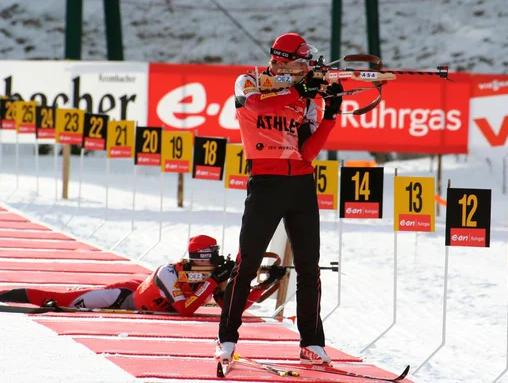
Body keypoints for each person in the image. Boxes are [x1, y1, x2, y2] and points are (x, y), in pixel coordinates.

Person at [216, 32, 344, 366]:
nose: (306, 68)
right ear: (282, 61)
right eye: (301, 62)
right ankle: (227, 338)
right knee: (247, 265)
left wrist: (330, 114)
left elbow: (308, 154)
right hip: (265, 182)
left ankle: (312, 342)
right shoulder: (250, 81)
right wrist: (298, 90)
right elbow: (255, 105)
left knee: (308, 267)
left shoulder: (306, 97)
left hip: (301, 183)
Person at [0, 235, 287, 317]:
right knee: (61, 299)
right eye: (211, 254)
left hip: (146, 297)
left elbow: (231, 306)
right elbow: (184, 310)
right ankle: (4, 295)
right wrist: (213, 281)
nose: (215, 259)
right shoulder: (170, 273)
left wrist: (264, 282)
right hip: (126, 297)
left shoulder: (205, 274)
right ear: (200, 257)